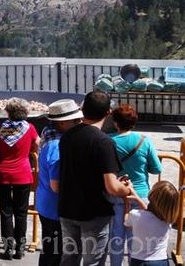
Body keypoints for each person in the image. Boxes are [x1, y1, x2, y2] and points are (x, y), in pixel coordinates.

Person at [58, 90, 133, 265]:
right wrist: (127, 189)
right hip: (94, 213)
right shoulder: (104, 142)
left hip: (68, 208)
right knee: (93, 261)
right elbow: (112, 188)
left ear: (82, 110)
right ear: (108, 113)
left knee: (69, 258)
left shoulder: (67, 136)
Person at [0, 97, 40, 260]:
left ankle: (8, 249)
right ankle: (20, 248)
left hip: (2, 175)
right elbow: (37, 144)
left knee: (5, 213)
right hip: (23, 175)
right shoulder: (29, 128)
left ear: (8, 111)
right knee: (21, 213)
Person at [108, 104, 162, 266]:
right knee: (137, 240)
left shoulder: (109, 142)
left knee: (116, 238)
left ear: (116, 123)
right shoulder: (144, 141)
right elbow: (156, 168)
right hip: (140, 196)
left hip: (117, 194)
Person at [36, 99, 83, 266]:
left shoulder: (49, 136)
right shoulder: (57, 146)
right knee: (55, 253)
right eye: (76, 120)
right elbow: (56, 185)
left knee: (50, 250)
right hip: (54, 207)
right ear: (63, 124)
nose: (79, 122)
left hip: (46, 203)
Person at [124, 180, 180, 266]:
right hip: (161, 261)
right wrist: (137, 198)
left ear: (151, 194)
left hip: (139, 261)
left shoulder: (135, 215)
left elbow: (126, 222)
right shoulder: (168, 220)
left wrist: (127, 206)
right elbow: (152, 214)